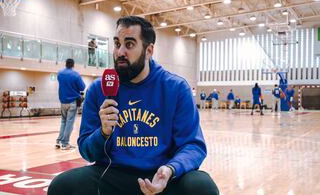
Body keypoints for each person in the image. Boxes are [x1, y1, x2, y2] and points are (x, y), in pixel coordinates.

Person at [48, 16, 218, 195]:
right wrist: (103, 133)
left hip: (161, 177)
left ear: (148, 50)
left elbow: (193, 145)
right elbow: (87, 152)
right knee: (62, 186)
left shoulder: (176, 88)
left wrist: (171, 169)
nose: (120, 51)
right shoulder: (98, 89)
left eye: (129, 44)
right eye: (117, 44)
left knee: (201, 186)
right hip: (112, 175)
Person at [55, 58, 86, 150]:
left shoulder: (60, 73)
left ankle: (59, 141)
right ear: (73, 65)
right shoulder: (75, 75)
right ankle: (65, 143)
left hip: (62, 102)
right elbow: (82, 87)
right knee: (69, 123)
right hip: (72, 102)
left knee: (63, 121)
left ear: (65, 64)